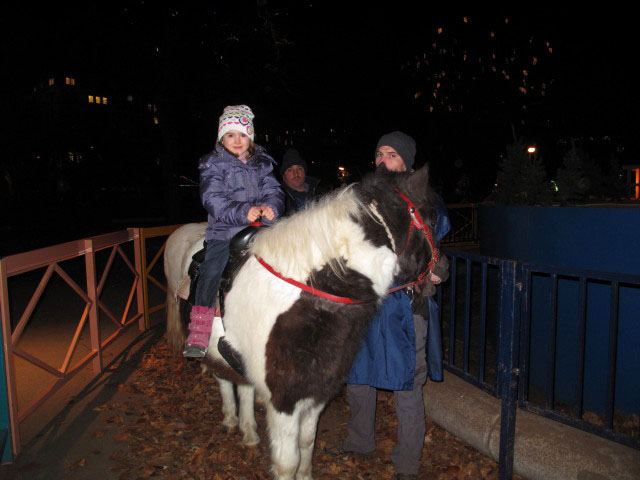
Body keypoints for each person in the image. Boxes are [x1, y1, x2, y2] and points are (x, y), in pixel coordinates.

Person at [338, 131, 450, 480]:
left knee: (408, 384)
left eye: (391, 154)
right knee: (358, 377)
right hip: (364, 304)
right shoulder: (361, 201)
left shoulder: (424, 200)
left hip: (405, 306)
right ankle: (360, 442)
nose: (382, 160)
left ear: (405, 162)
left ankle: (407, 464)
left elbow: (437, 252)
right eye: (378, 154)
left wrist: (438, 271)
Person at [184, 105, 284, 359]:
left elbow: (273, 190)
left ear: (250, 137)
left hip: (259, 231)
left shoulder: (262, 163)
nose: (237, 141)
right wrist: (242, 211)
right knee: (211, 270)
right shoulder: (213, 165)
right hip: (224, 232)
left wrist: (272, 207)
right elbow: (212, 198)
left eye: (242, 135)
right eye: (231, 135)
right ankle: (199, 330)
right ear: (221, 138)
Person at [280, 148, 323, 215]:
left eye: (299, 169)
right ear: (284, 177)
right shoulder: (279, 198)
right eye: (290, 170)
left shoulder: (320, 192)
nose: (296, 174)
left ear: (305, 173)